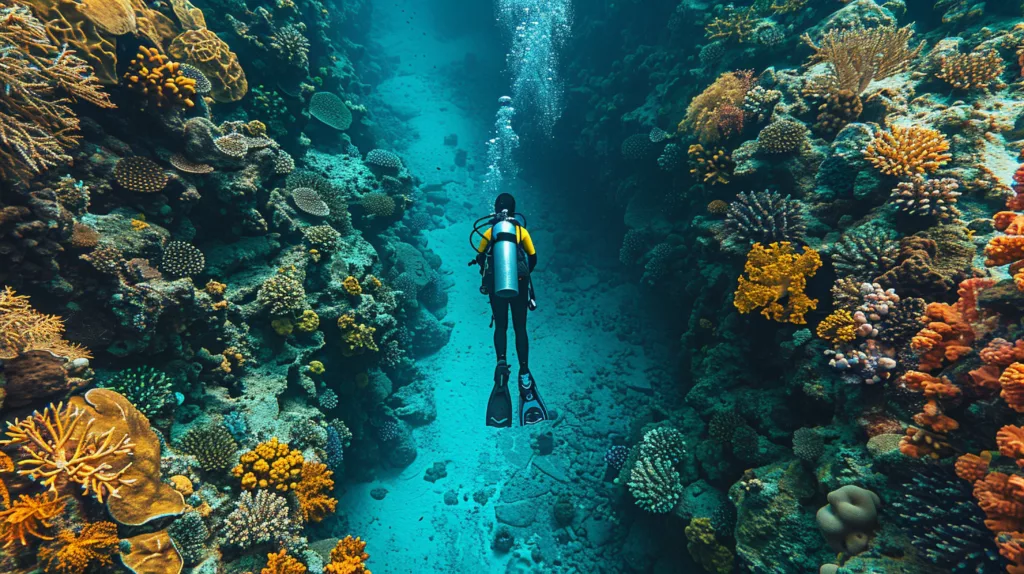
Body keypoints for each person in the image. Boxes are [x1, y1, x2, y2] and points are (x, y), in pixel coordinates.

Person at [470, 192, 549, 427]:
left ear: (495, 209)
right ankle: (524, 373)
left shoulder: (488, 231)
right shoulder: (521, 231)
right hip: (520, 281)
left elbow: (480, 256)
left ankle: (501, 363)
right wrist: (521, 276)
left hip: (496, 283)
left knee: (501, 325)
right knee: (520, 327)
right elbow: (533, 258)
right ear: (514, 210)